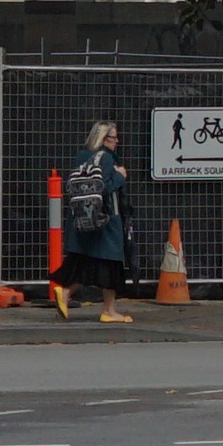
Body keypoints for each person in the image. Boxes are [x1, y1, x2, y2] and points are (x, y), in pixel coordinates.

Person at [57, 120, 134, 310]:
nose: (117, 141)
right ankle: (109, 310)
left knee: (89, 262)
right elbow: (103, 189)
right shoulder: (106, 159)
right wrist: (120, 176)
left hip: (83, 219)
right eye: (114, 137)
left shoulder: (82, 156)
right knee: (112, 263)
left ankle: (66, 293)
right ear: (104, 139)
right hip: (106, 219)